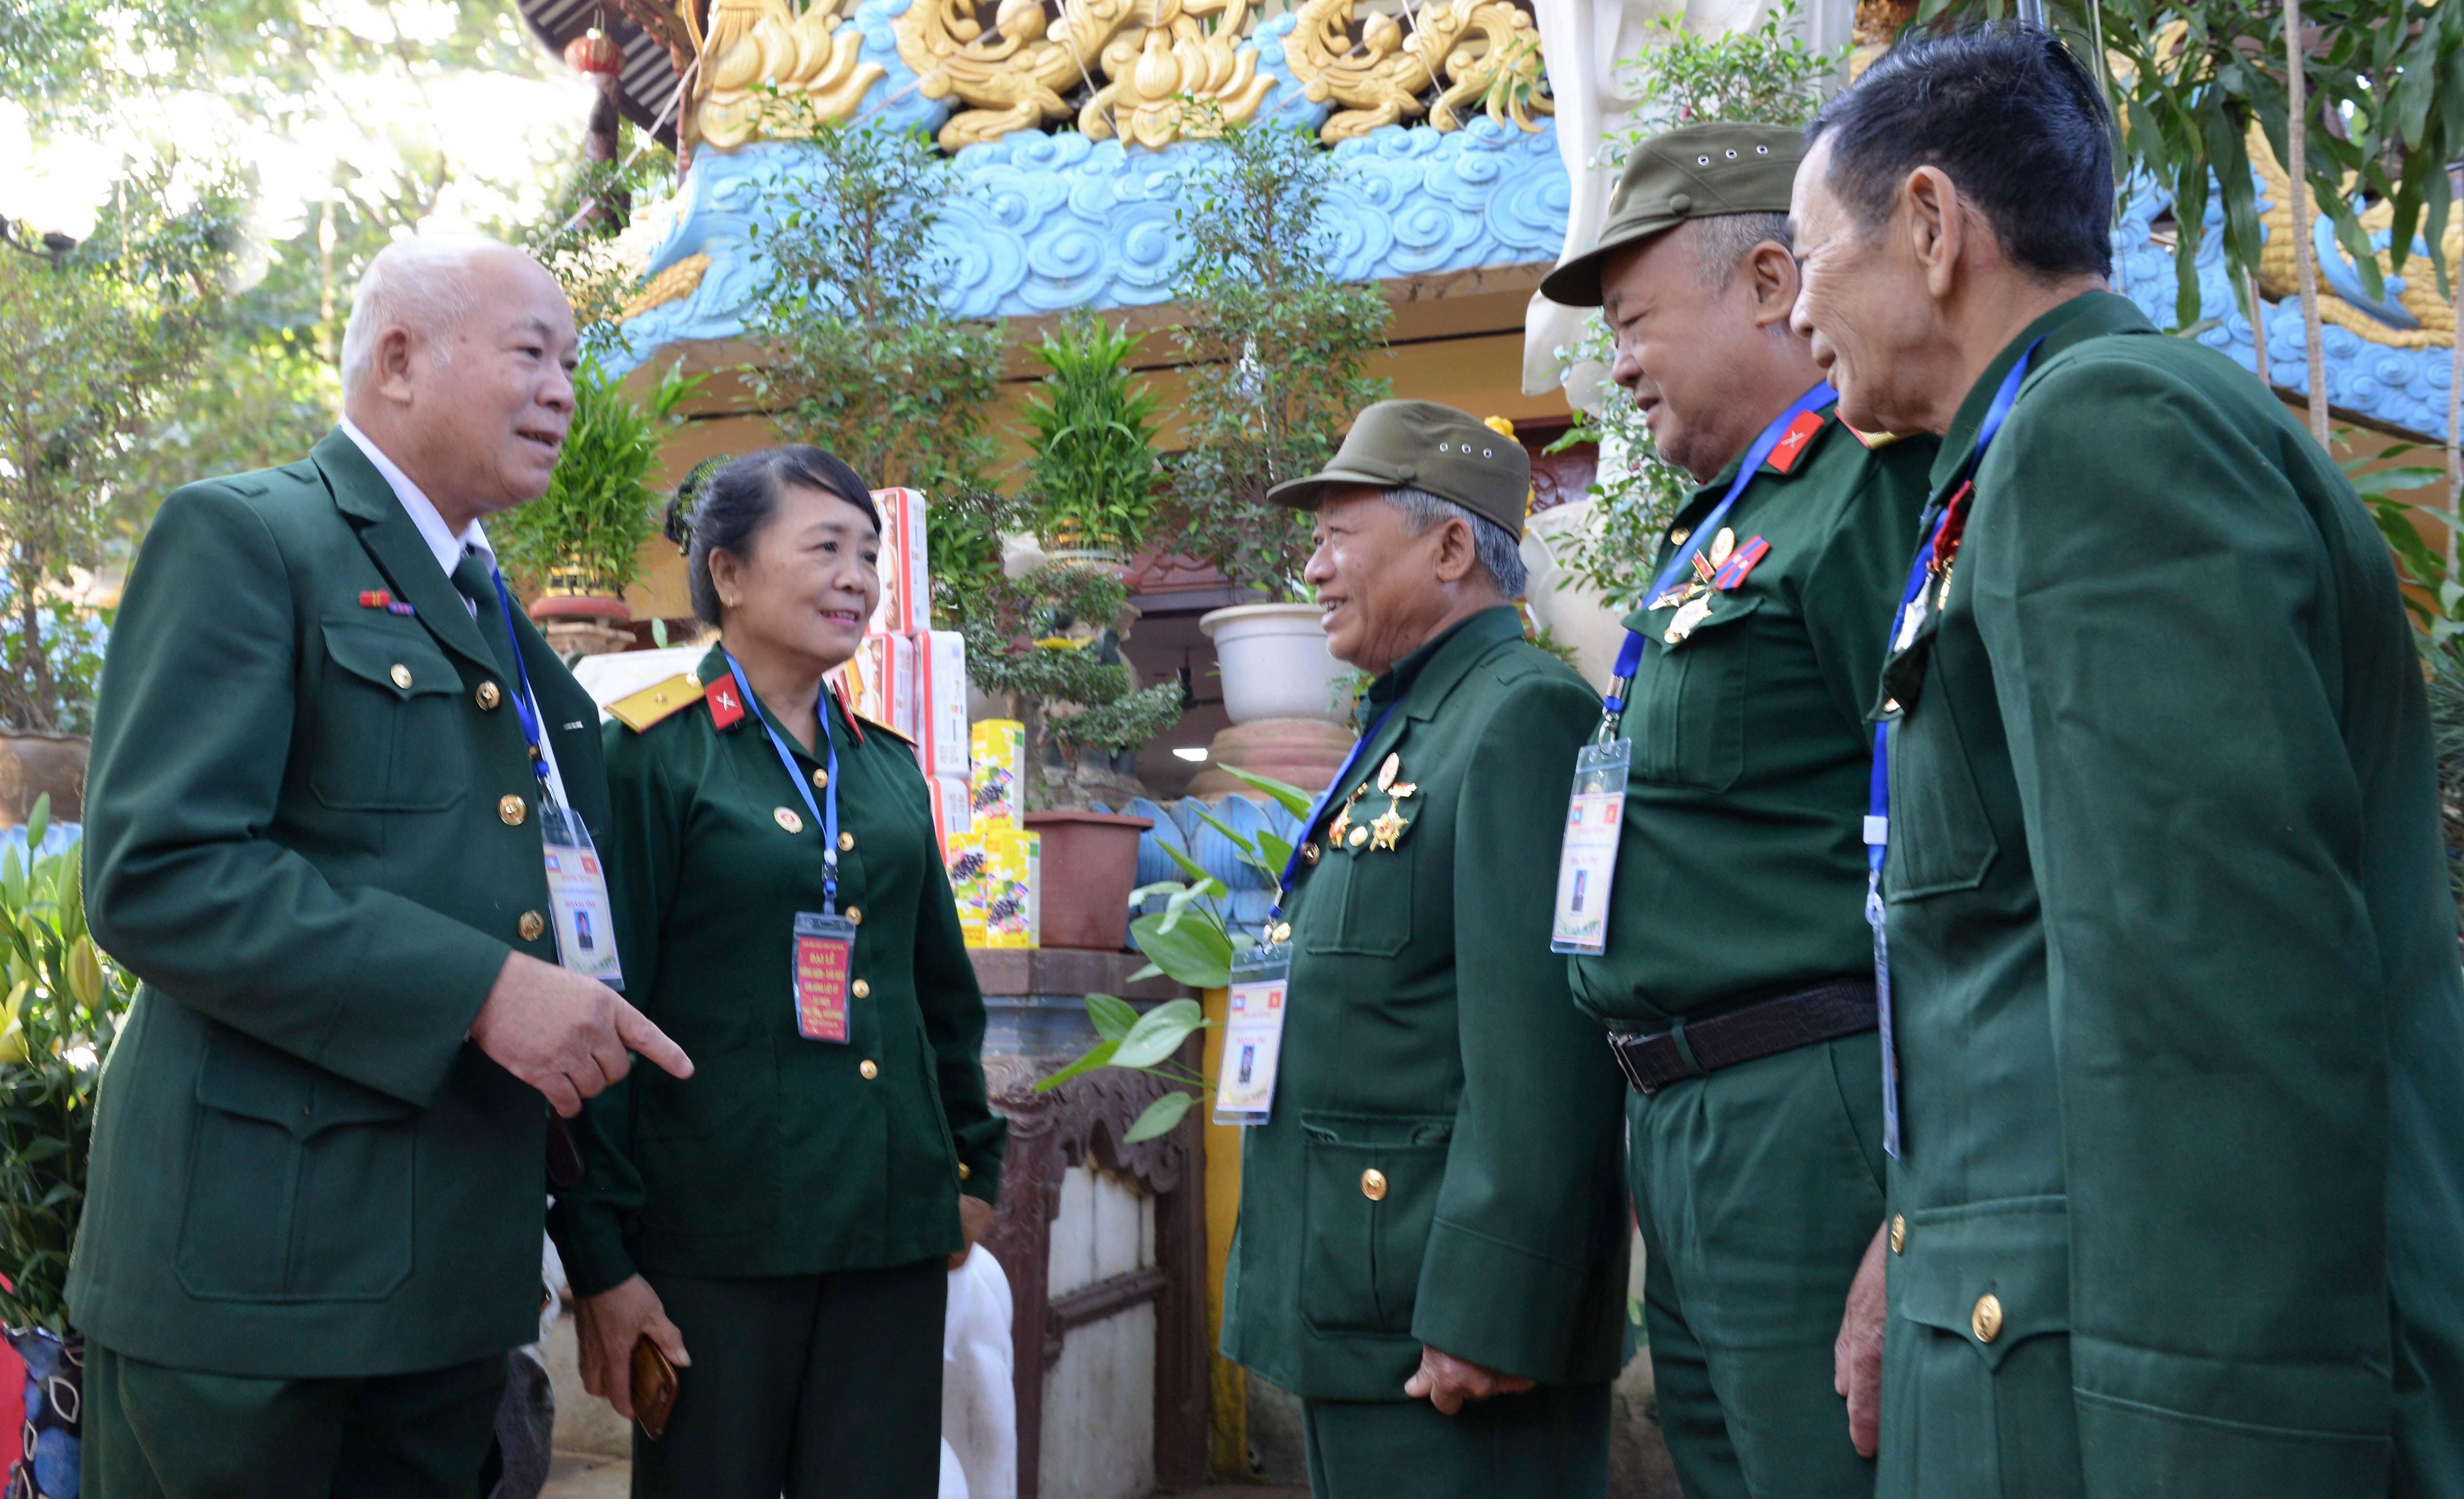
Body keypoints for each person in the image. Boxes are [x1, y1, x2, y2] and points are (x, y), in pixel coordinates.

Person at [1789, 25, 2464, 1496]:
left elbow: (2209, 1010)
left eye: (1806, 255)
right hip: (2023, 1357)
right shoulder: (2019, 457)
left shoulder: (2104, 436)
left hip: (2128, 1408)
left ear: (1927, 222)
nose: (1798, 316)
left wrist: (2219, 1452)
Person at [72, 236, 693, 1499]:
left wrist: (600, 1254)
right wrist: (478, 989)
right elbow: (162, 871)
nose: (567, 389)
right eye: (533, 351)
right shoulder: (254, 538)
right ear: (399, 359)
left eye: (574, 360)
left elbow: (556, 921)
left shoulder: (500, 625)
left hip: (449, 1297)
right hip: (255, 1293)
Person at [1534, 121, 1934, 1498]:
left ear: (1774, 283)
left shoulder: (1863, 498)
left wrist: (1918, 1196)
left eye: (1637, 321)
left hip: (1808, 1113)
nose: (1620, 362)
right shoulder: (1717, 524)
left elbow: (1947, 859)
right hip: (1686, 1122)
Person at [550, 447, 1008, 1499]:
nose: (857, 577)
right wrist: (602, 1260)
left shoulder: (886, 768)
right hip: (715, 1241)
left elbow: (943, 996)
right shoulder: (652, 754)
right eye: (825, 549)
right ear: (731, 573)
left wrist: (973, 1174)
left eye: (869, 554)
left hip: (890, 1233)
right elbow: (601, 1011)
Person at [1218, 400, 1631, 1499]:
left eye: (1339, 537)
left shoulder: (1520, 718)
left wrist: (1493, 1310)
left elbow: (1545, 1053)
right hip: (1375, 1303)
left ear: (1451, 548)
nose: (1312, 569)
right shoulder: (1412, 722)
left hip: (1451, 1335)